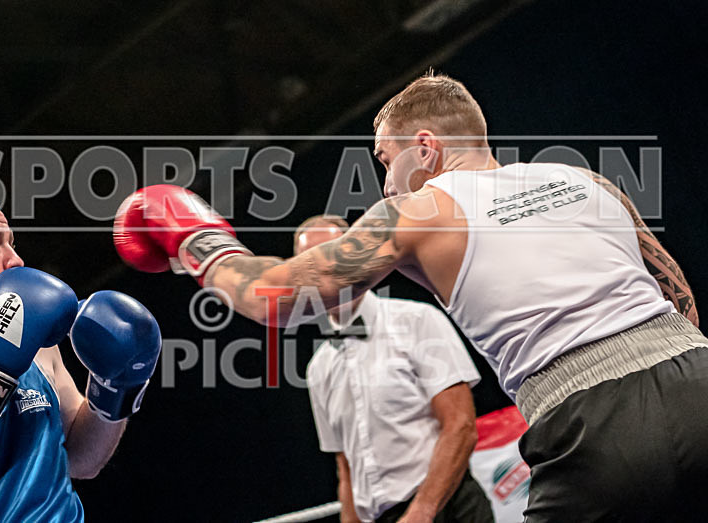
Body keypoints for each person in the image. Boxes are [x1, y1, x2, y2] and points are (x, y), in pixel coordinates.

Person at [113, 72, 706, 521]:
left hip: (591, 428)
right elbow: (673, 290)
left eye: (385, 160)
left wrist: (195, 240)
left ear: (425, 149)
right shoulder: (583, 178)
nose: (384, 180)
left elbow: (274, 298)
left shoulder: (416, 210)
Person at [0, 191, 161, 521]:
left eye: (11, 243)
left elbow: (82, 461)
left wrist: (116, 388)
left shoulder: (40, 345)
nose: (14, 261)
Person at [294, 215, 492, 523]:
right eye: (308, 263)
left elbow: (461, 425)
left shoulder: (416, 321)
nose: (321, 270)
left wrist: (422, 512)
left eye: (331, 254)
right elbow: (346, 467)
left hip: (447, 508)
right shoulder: (318, 369)